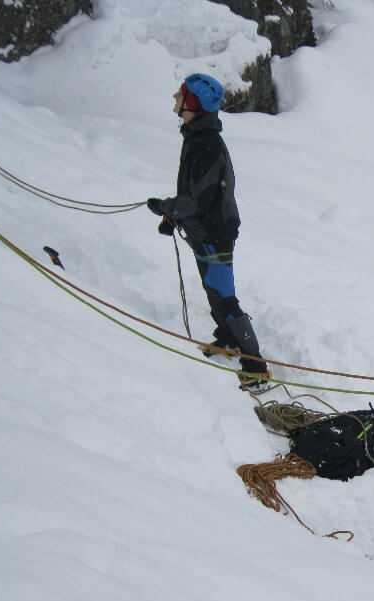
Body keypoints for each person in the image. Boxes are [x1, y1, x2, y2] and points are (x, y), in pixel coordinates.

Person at [147, 73, 270, 391]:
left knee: (224, 298)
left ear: (193, 103)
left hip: (215, 234)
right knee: (214, 292)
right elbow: (201, 195)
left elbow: (197, 200)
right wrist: (174, 217)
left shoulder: (204, 143)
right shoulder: (198, 136)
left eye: (182, 93)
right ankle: (229, 341)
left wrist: (168, 207)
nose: (175, 95)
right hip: (208, 230)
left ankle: (255, 366)